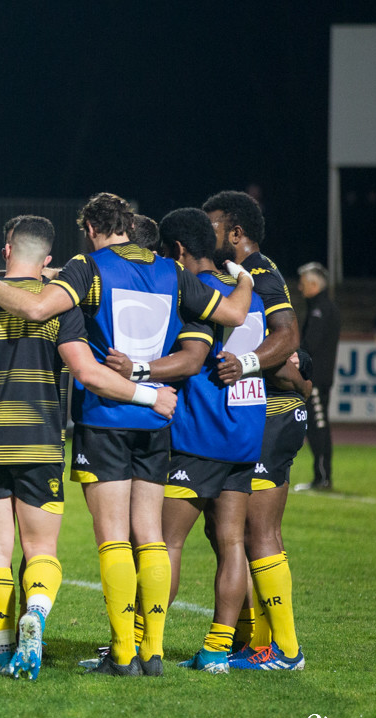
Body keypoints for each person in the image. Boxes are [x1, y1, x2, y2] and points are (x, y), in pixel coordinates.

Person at [0, 192, 254, 677]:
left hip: (105, 417)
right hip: (159, 415)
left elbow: (37, 309)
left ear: (93, 229)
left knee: (114, 539)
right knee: (151, 536)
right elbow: (236, 314)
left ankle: (120, 653)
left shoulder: (89, 266)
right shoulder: (170, 271)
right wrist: (243, 274)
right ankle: (152, 652)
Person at [105, 208, 269, 674]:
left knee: (164, 542)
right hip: (244, 430)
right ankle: (218, 649)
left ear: (176, 251)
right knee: (232, 541)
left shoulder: (197, 294)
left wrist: (136, 371)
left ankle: (138, 643)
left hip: (201, 434)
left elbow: (191, 359)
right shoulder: (244, 295)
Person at [200, 190, 304, 671]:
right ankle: (251, 643)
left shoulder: (262, 272)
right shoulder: (232, 278)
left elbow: (287, 336)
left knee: (258, 530)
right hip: (249, 413)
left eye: (213, 225)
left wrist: (243, 364)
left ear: (235, 233)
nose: (207, 232)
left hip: (273, 412)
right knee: (226, 530)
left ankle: (284, 649)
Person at [294, 262, 340, 491]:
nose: (300, 289)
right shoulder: (321, 307)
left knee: (318, 426)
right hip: (318, 378)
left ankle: (323, 477)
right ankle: (320, 476)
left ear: (313, 284)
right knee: (315, 426)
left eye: (303, 284)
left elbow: (310, 344)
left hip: (317, 379)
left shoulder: (320, 309)